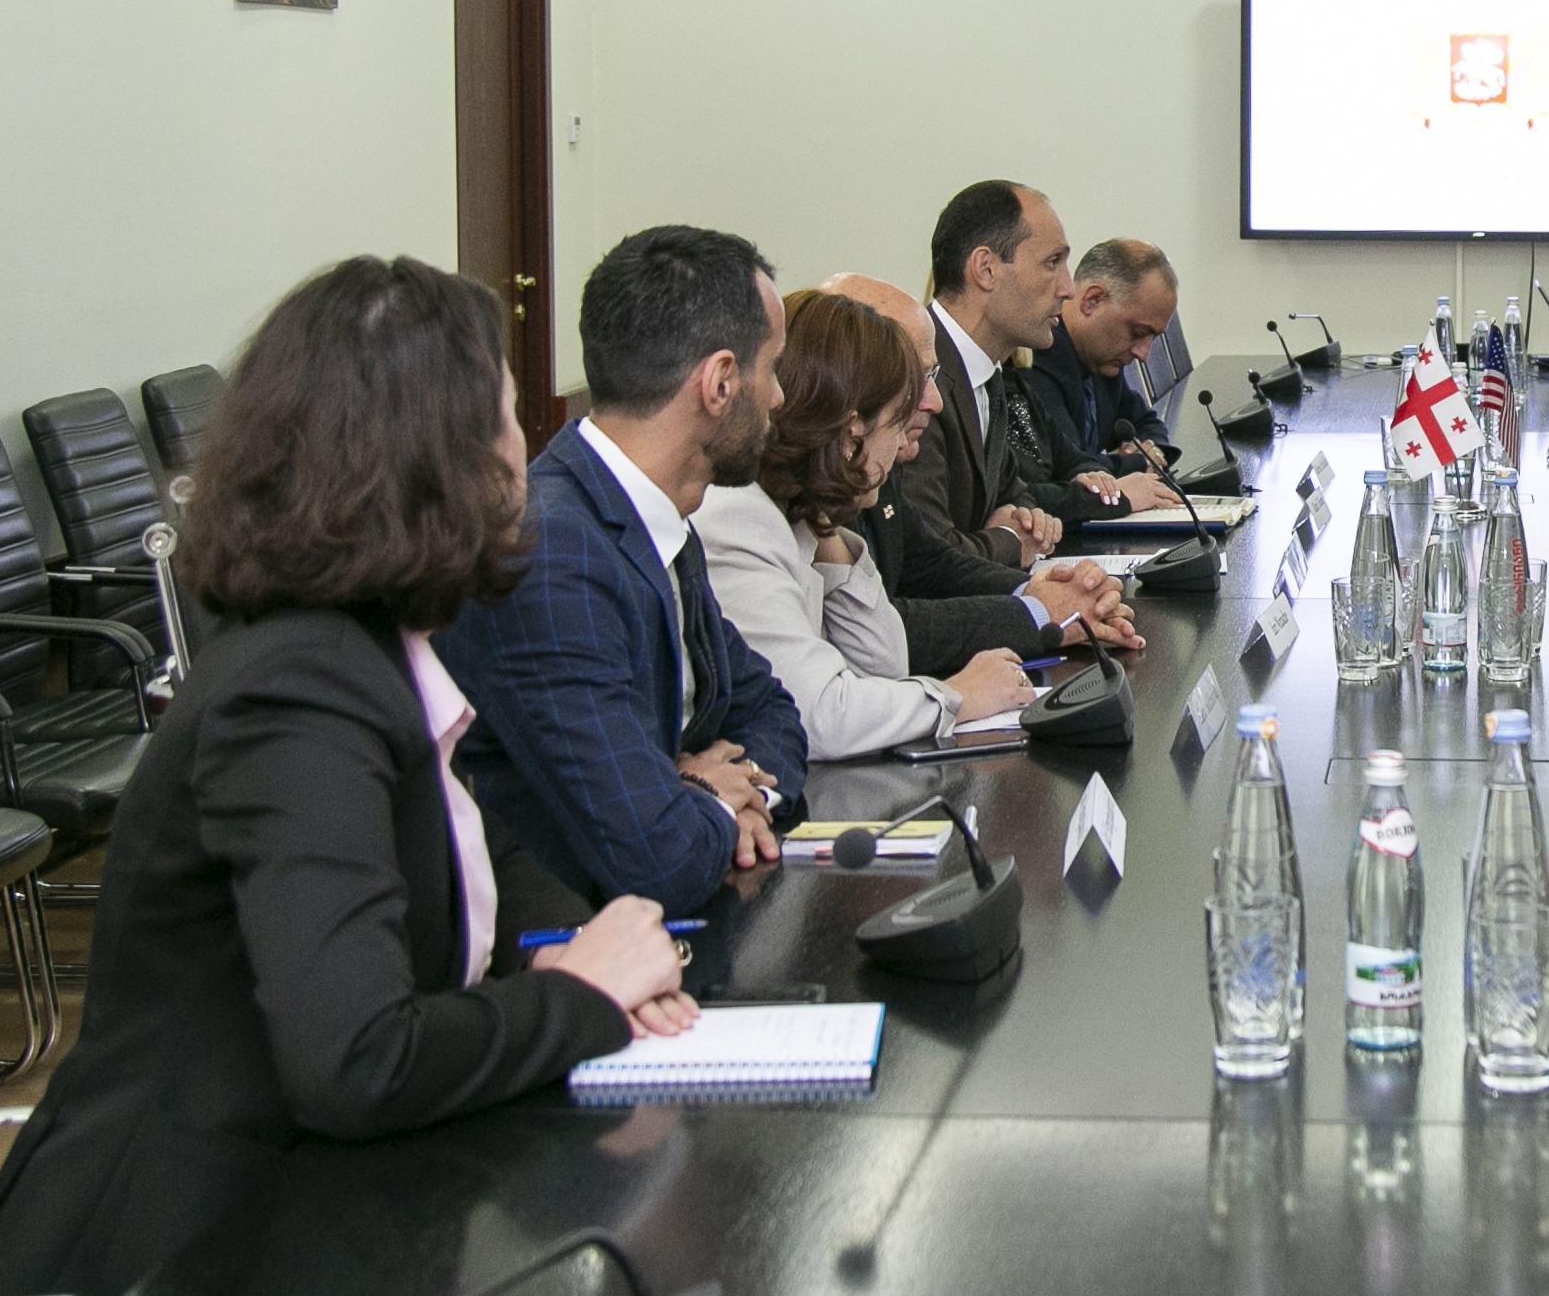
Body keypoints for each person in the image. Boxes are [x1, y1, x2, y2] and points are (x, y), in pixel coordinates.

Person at [0, 259, 692, 1296]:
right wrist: (579, 995)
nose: (525, 449)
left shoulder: (365, 645)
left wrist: (578, 936)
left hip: (289, 1210)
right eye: (506, 417)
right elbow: (357, 1058)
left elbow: (467, 840)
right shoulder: (299, 685)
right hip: (166, 1246)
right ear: (436, 457)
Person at [440, 226, 812, 913]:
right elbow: (658, 858)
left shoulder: (652, 517)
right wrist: (705, 797)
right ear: (720, 382)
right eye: (772, 369)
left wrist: (741, 794)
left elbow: (770, 709)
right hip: (576, 939)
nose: (779, 397)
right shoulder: (553, 556)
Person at [701, 291, 1045, 760]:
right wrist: (957, 697)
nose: (904, 445)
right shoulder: (739, 518)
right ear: (851, 434)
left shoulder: (801, 518)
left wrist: (829, 532)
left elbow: (884, 665)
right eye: (897, 425)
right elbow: (820, 716)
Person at [816, 272, 1141, 672]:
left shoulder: (879, 461)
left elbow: (930, 563)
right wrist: (1038, 612)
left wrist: (1037, 590)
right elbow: (877, 630)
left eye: (932, 377)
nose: (934, 401)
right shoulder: (789, 506)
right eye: (916, 378)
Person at [903, 179, 1073, 566]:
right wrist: (1011, 540)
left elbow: (1015, 493)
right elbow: (928, 558)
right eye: (1052, 263)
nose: (1068, 288)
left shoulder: (986, 373)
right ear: (985, 269)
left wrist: (1025, 519)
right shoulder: (918, 380)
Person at [1027, 237, 1186, 476]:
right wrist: (1138, 463)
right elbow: (1068, 466)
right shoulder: (1038, 357)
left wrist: (1150, 451)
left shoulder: (1101, 358)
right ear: (1093, 301)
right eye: (1138, 333)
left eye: (1152, 338)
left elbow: (1145, 422)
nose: (1143, 354)